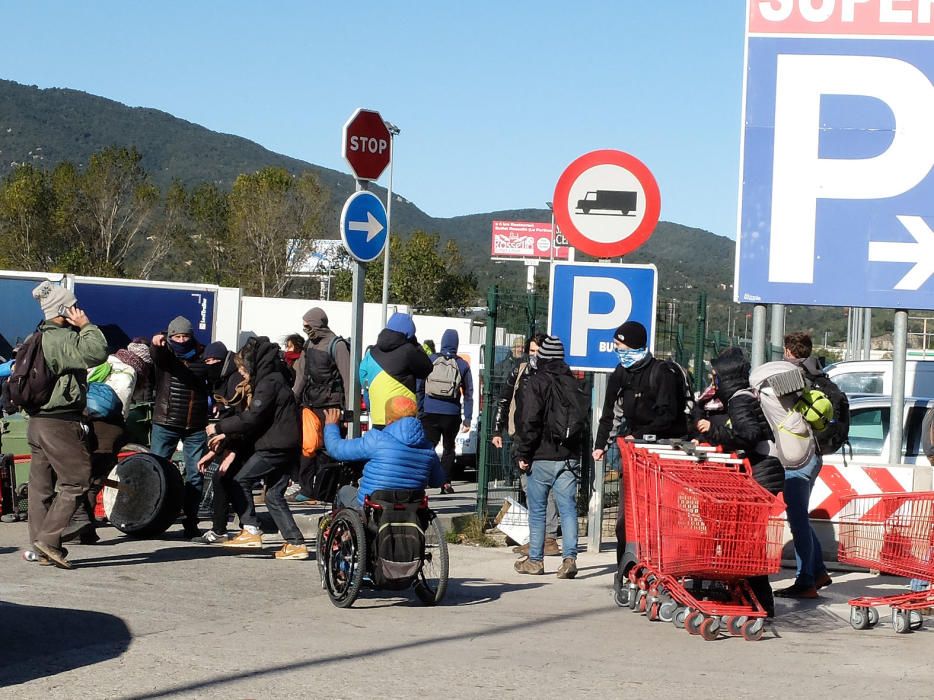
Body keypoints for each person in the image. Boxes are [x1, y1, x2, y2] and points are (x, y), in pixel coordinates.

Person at [24, 280, 108, 568]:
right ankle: (48, 541)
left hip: (36, 421)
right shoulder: (60, 338)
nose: (77, 309)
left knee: (41, 487)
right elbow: (96, 353)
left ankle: (40, 546)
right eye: (72, 305)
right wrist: (86, 325)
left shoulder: (35, 336)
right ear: (63, 309)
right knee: (77, 480)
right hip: (59, 422)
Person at [695, 346, 784, 617]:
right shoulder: (744, 395)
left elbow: (749, 434)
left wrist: (714, 431)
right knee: (747, 540)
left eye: (715, 375)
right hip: (764, 472)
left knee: (746, 542)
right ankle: (755, 600)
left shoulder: (739, 399)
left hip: (761, 475)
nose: (713, 379)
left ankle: (759, 603)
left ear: (724, 375)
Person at [592, 321, 686, 564]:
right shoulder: (620, 374)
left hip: (663, 451)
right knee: (627, 518)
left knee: (660, 516)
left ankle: (662, 562)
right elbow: (609, 413)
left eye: (620, 346)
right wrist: (600, 444)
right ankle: (625, 567)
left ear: (635, 346)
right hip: (634, 455)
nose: (618, 351)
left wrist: (644, 434)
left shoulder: (661, 373)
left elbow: (670, 415)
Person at [208, 337, 308, 560]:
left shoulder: (268, 383)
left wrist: (219, 427)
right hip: (286, 444)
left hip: (275, 445)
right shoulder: (275, 378)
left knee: (239, 480)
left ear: (252, 365)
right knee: (273, 495)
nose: (242, 374)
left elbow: (253, 417)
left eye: (243, 369)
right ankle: (296, 544)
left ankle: (251, 530)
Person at [512, 335, 582, 579]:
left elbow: (529, 420)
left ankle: (535, 560)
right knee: (568, 509)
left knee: (538, 510)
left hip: (541, 455)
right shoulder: (572, 382)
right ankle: (570, 558)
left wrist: (523, 452)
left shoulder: (536, 382)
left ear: (541, 356)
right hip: (569, 456)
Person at [491, 333, 560, 557]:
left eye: (538, 351)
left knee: (542, 489)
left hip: (545, 438)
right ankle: (541, 537)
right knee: (528, 486)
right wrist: (497, 430)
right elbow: (504, 399)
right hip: (522, 435)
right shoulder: (519, 372)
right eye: (531, 351)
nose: (534, 355)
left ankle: (546, 537)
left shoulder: (553, 375)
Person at [65, 347, 139, 545]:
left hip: (89, 426)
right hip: (109, 431)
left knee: (84, 478)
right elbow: (122, 406)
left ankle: (84, 529)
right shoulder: (128, 372)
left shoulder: (100, 364)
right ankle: (84, 530)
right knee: (94, 480)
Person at [777, 332, 832, 598]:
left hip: (798, 455)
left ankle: (806, 581)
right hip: (816, 453)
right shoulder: (818, 374)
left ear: (788, 351)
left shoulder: (788, 376)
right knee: (801, 518)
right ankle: (819, 570)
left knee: (797, 521)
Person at [322, 396, 445, 509]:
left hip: (374, 509)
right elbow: (437, 481)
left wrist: (331, 426)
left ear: (389, 420)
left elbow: (336, 449)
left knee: (345, 491)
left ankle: (341, 532)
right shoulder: (428, 447)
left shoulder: (377, 440)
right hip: (411, 510)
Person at [149, 316, 210, 538]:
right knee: (156, 471)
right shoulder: (166, 355)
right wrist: (156, 342)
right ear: (170, 336)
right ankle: (152, 518)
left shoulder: (203, 354)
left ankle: (190, 522)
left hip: (195, 424)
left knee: (195, 475)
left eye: (185, 336)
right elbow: (157, 355)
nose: (181, 340)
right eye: (177, 336)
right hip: (166, 421)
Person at [291, 307, 351, 501]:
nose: (304, 328)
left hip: (331, 405)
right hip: (310, 403)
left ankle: (325, 493)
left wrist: (349, 414)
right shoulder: (309, 344)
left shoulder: (337, 345)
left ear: (317, 324)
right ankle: (306, 490)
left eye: (307, 325)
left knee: (328, 449)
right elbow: (301, 375)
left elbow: (348, 380)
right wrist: (293, 399)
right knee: (308, 447)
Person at [417, 329, 474, 495]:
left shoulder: (431, 360)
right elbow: (468, 392)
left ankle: (424, 479)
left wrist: (421, 408)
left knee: (428, 447)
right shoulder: (462, 365)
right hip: (451, 414)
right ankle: (445, 482)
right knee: (449, 448)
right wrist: (467, 418)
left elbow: (419, 386)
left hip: (429, 412)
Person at [359, 312, 432, 429]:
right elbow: (426, 368)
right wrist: (416, 345)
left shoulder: (371, 352)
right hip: (401, 416)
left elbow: (363, 377)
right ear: (409, 334)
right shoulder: (408, 350)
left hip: (378, 416)